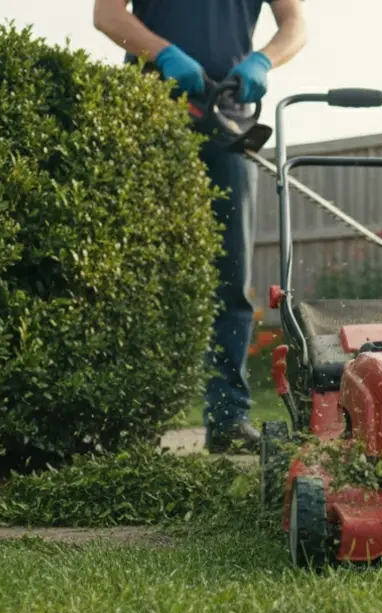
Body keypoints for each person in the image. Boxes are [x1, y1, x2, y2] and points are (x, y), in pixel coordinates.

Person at [93, 0, 307, 453]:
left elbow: (296, 23)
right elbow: (106, 14)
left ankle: (228, 418)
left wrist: (263, 59)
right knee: (139, 274)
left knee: (230, 278)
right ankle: (130, 423)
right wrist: (163, 53)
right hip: (150, 117)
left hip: (227, 119)